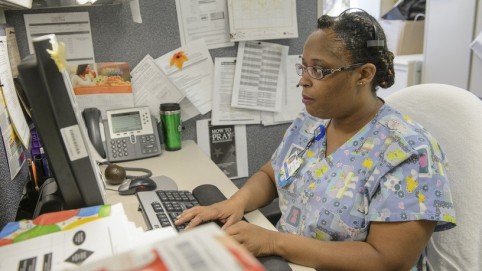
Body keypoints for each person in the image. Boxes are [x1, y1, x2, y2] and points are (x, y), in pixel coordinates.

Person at [175, 9, 456, 271]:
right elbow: (272, 176)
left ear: (364, 74)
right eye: (303, 68)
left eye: (319, 71)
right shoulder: (313, 120)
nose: (303, 81)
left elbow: (387, 260)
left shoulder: (409, 152)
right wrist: (236, 202)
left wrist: (273, 242)